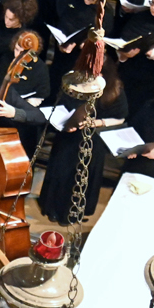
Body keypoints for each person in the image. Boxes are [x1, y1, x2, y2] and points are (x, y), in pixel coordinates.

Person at [38, 54, 128, 223]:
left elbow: (120, 117)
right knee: (61, 172)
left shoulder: (114, 88)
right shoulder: (74, 81)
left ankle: (73, 213)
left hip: (92, 139)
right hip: (68, 135)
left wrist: (96, 122)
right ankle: (53, 208)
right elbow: (62, 102)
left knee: (80, 176)